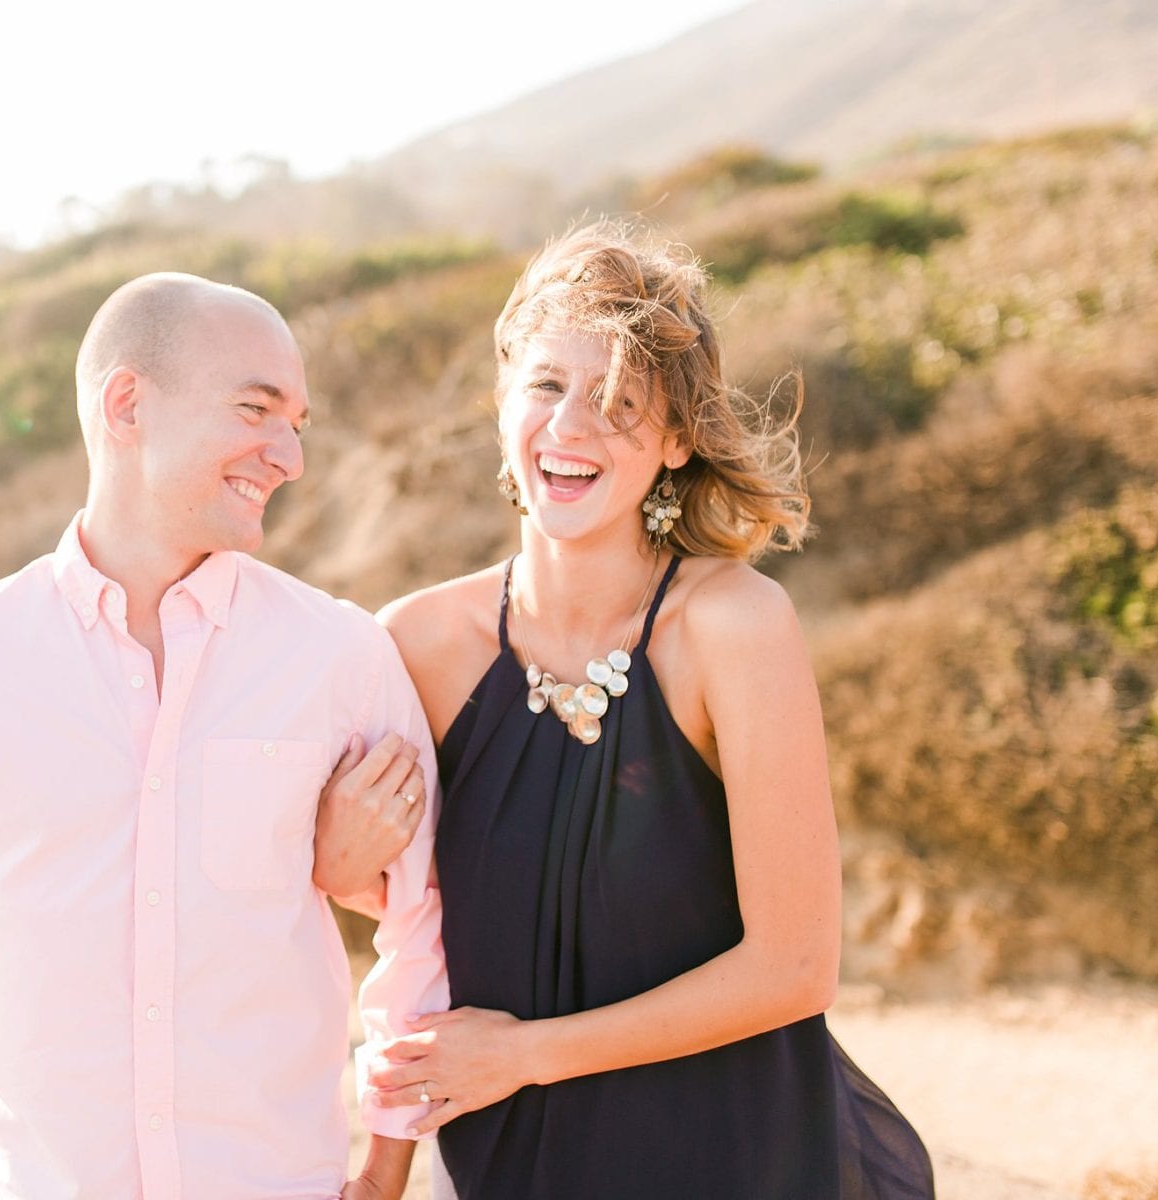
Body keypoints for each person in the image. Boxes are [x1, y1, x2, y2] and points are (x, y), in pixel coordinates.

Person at [0, 273, 449, 1200]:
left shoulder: (342, 657)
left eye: (298, 423)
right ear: (127, 405)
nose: (289, 456)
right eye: (255, 410)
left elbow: (423, 917)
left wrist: (387, 1163)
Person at [366, 222, 933, 1198]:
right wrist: (378, 1171)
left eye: (620, 401)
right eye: (546, 385)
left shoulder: (734, 627)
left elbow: (795, 967)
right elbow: (404, 919)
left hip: (738, 1155)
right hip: (517, 1165)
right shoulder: (415, 644)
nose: (572, 425)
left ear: (676, 442)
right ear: (503, 401)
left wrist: (525, 1055)